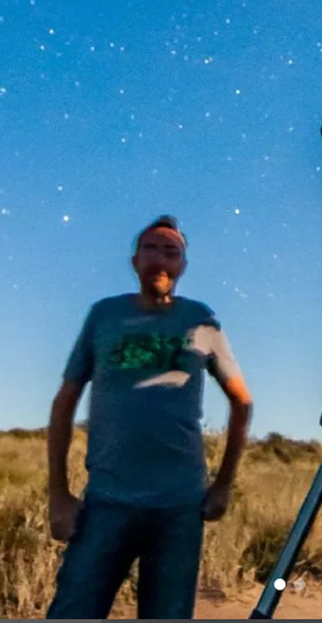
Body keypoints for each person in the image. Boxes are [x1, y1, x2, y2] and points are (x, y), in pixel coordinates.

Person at [46, 215, 253, 619]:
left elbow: (241, 402)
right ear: (134, 260)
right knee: (72, 610)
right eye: (151, 249)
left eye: (171, 252)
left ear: (183, 265)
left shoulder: (201, 319)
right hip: (107, 501)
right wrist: (58, 494)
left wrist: (224, 484)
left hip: (179, 507)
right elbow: (64, 402)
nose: (160, 259)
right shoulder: (104, 316)